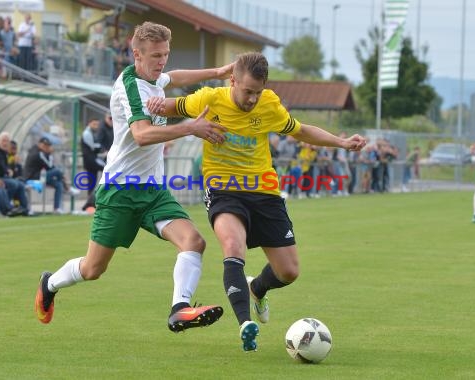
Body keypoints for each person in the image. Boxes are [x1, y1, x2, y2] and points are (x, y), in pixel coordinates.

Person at [148, 52, 366, 351]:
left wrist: (341, 142)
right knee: (233, 246)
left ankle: (257, 287)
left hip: (264, 191)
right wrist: (155, 105)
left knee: (288, 272)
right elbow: (170, 107)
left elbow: (301, 130)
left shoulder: (269, 105)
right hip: (223, 189)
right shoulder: (208, 99)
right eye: (247, 91)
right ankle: (244, 324)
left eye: (257, 92)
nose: (252, 98)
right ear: (233, 80)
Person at [34, 22, 234, 333]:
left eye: (165, 54)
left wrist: (218, 71)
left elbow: (176, 76)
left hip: (153, 191)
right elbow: (141, 135)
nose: (162, 61)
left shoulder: (154, 78)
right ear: (136, 53)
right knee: (92, 269)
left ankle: (179, 309)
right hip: (120, 191)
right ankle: (50, 283)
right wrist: (189, 127)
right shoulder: (130, 85)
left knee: (193, 241)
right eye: (156, 55)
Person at [23, 136, 79, 214]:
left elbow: (50, 167)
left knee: (58, 184)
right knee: (58, 171)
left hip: (40, 176)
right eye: (44, 145)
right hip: (33, 178)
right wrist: (50, 154)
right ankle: (68, 189)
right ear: (39, 144)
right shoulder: (38, 153)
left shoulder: (41, 152)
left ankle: (57, 208)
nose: (46, 147)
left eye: (48, 146)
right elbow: (49, 166)